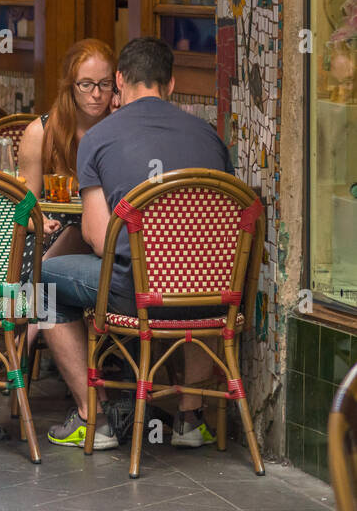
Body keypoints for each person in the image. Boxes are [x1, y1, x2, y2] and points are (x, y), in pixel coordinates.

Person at [39, 37, 232, 451]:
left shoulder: (99, 138)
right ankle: (190, 419)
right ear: (172, 84)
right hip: (216, 292)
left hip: (138, 293)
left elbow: (96, 236)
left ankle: (96, 418)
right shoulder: (210, 137)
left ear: (121, 81)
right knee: (199, 282)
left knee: (42, 285)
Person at [18, 39, 116, 257]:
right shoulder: (40, 132)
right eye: (86, 84)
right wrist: (38, 222)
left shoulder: (121, 130)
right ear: (70, 86)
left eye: (105, 83)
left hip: (108, 240)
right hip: (51, 240)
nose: (97, 94)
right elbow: (22, 207)